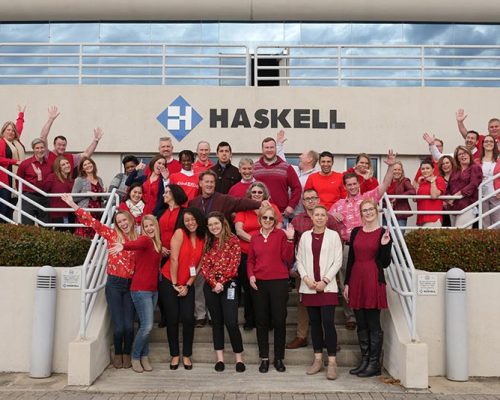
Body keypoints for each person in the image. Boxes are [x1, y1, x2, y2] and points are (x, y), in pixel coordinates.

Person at [61, 193, 137, 370]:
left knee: (128, 326)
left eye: (125, 220)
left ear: (130, 220)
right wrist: (73, 204)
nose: (123, 224)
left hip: (131, 285)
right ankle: (118, 353)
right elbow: (92, 223)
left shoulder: (138, 238)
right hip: (114, 284)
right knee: (118, 327)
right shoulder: (111, 235)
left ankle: (127, 353)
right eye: (119, 222)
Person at [329, 149, 396, 331]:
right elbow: (324, 217)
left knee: (369, 280)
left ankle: (366, 310)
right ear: (345, 187)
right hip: (348, 247)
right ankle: (350, 315)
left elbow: (384, 185)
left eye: (354, 183)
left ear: (358, 183)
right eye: (348, 184)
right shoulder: (339, 204)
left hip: (369, 245)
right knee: (346, 281)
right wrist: (332, 214)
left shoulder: (367, 199)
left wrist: (390, 166)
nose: (352, 187)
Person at [189, 170, 261, 327]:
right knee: (200, 280)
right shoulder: (194, 202)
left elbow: (241, 202)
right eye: (206, 182)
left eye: (212, 182)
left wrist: (259, 204)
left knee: (214, 278)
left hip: (219, 247)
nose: (209, 184)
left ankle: (213, 314)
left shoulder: (223, 199)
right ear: (200, 183)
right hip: (201, 245)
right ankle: (200, 314)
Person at [344, 199, 392, 378]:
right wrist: (347, 283)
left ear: (376, 211)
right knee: (361, 323)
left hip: (372, 279)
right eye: (365, 210)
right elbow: (350, 260)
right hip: (357, 279)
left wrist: (386, 245)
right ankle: (364, 360)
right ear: (361, 213)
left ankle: (374, 363)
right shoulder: (356, 232)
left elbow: (385, 263)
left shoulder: (383, 233)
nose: (368, 212)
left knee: (373, 323)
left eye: (371, 209)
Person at [286, 189, 341, 350]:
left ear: (318, 199)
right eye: (307, 199)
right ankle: (302, 336)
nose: (310, 201)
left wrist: (331, 275)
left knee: (326, 310)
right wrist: (293, 267)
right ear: (303, 202)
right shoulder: (297, 220)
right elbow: (293, 245)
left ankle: (327, 339)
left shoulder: (328, 219)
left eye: (313, 198)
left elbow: (337, 244)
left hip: (326, 271)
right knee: (304, 304)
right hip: (304, 270)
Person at [110, 215, 162, 373]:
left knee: (145, 325)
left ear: (156, 226)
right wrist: (123, 246)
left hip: (153, 290)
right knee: (146, 326)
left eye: (151, 225)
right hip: (140, 290)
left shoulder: (157, 244)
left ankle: (144, 356)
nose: (149, 228)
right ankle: (136, 356)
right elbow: (136, 244)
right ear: (143, 229)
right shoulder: (145, 240)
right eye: (146, 226)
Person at [296, 205, 343, 380]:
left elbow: (337, 261)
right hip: (309, 287)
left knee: (328, 323)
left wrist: (325, 281)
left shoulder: (334, 236)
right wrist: (306, 278)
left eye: (323, 215)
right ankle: (318, 359)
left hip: (327, 287)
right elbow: (299, 259)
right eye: (317, 215)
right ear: (312, 217)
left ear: (327, 217)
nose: (320, 217)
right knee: (314, 323)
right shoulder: (305, 236)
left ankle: (332, 362)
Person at [247, 205, 295, 373]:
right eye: (265, 218)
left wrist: (290, 240)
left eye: (271, 218)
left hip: (279, 282)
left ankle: (279, 358)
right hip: (259, 283)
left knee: (279, 321)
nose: (267, 221)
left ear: (275, 221)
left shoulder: (281, 235)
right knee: (261, 322)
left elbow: (287, 258)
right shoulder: (254, 238)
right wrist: (251, 275)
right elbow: (250, 261)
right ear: (260, 219)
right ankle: (264, 358)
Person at [159, 208, 205, 370]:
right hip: (169, 281)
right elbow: (173, 259)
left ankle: (186, 355)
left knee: (188, 318)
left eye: (193, 219)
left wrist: (188, 284)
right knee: (172, 319)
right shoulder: (179, 233)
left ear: (198, 219)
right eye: (187, 220)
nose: (190, 223)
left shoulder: (203, 237)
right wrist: (175, 284)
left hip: (187, 284)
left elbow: (199, 265)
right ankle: (174, 355)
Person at [234, 182, 283, 330]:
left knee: (265, 289)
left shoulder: (272, 208)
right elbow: (239, 231)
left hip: (268, 256)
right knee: (249, 288)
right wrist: (256, 241)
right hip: (246, 254)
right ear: (249, 194)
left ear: (264, 194)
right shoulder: (243, 209)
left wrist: (265, 240)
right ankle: (250, 320)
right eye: (254, 192)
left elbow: (279, 226)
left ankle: (267, 321)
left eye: (259, 192)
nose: (256, 194)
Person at [201, 212, 245, 372]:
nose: (213, 227)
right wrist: (214, 283)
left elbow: (234, 264)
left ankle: (239, 358)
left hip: (229, 284)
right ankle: (220, 359)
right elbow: (204, 266)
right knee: (217, 323)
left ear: (222, 223)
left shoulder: (233, 240)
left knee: (231, 322)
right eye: (210, 224)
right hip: (211, 286)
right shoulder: (208, 241)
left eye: (216, 223)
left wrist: (222, 282)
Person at [155, 184, 188, 327]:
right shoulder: (160, 212)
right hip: (161, 254)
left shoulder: (184, 212)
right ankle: (165, 316)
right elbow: (154, 232)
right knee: (162, 287)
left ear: (174, 194)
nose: (164, 195)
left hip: (178, 254)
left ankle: (179, 315)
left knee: (178, 285)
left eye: (167, 192)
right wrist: (160, 247)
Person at [39, 106, 104, 172]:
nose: (61, 147)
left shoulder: (70, 158)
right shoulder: (47, 154)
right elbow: (43, 137)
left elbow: (86, 154)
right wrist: (50, 119)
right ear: (54, 145)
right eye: (59, 145)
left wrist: (96, 140)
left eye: (64, 145)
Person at [253, 137, 302, 218]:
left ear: (276, 148)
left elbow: (297, 188)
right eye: (266, 147)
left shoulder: (286, 167)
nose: (269, 150)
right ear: (262, 150)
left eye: (272, 147)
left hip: (280, 214)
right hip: (258, 213)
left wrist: (291, 206)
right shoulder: (255, 167)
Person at [446, 146, 483, 228]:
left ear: (469, 154)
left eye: (465, 153)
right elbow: (448, 187)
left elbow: (473, 184)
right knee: (454, 234)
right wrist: (448, 197)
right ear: (457, 158)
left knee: (460, 232)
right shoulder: (455, 171)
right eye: (460, 154)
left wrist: (456, 196)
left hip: (467, 206)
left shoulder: (475, 167)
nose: (463, 155)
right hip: (453, 207)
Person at [16, 138, 51, 225]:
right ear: (33, 149)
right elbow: (18, 180)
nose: (40, 150)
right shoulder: (25, 164)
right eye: (37, 148)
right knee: (27, 226)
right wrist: (22, 194)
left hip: (44, 198)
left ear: (45, 149)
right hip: (29, 197)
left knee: (46, 227)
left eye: (42, 147)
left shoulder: (50, 164)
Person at [0, 106, 25, 221]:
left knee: (11, 211)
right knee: (3, 210)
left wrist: (21, 115)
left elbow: (19, 127)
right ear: (3, 132)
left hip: (15, 181)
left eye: (12, 130)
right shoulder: (1, 142)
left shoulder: (16, 141)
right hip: (4, 182)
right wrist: (16, 162)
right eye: (8, 130)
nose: (11, 132)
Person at [72, 156, 104, 238]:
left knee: (96, 238)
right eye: (85, 165)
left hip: (98, 213)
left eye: (89, 163)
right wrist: (86, 193)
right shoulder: (79, 180)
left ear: (93, 164)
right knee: (85, 238)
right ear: (82, 169)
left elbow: (101, 197)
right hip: (86, 212)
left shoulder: (99, 179)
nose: (88, 165)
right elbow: (73, 197)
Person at [43, 156, 74, 227]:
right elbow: (44, 190)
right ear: (58, 167)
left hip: (71, 213)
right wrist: (39, 177)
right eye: (63, 164)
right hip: (58, 214)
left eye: (67, 163)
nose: (67, 165)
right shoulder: (53, 177)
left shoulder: (72, 180)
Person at [414, 159, 446, 227]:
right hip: (421, 219)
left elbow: (434, 195)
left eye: (428, 168)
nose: (425, 171)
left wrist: (432, 181)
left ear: (433, 169)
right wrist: (418, 184)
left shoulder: (439, 179)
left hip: (433, 219)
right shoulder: (422, 181)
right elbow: (414, 199)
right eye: (423, 169)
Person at [478, 135, 499, 228]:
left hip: (496, 195)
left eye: (491, 141)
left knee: (497, 223)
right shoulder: (477, 161)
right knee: (484, 224)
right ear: (482, 144)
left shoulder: (499, 161)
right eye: (486, 141)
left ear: (494, 145)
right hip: (481, 196)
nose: (488, 143)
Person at [386, 161, 415, 227]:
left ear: (402, 171)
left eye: (399, 170)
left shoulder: (404, 181)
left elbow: (412, 191)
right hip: (387, 214)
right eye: (395, 169)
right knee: (388, 236)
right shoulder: (387, 182)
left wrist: (397, 197)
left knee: (398, 236)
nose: (397, 171)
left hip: (400, 214)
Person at [438, 155, 457, 227]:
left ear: (452, 163)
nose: (445, 165)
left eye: (447, 163)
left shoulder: (458, 176)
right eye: (443, 164)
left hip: (455, 206)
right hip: (443, 209)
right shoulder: (438, 179)